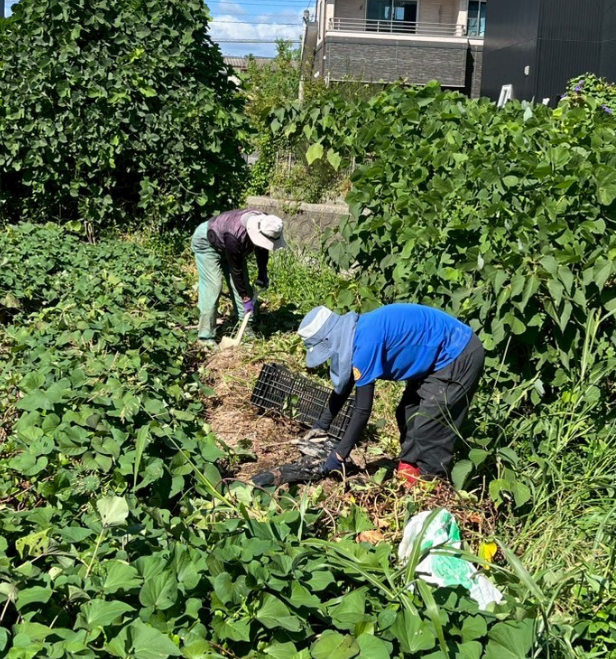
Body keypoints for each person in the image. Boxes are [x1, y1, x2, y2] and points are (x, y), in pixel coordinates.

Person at [254, 303, 484, 487]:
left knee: (430, 426)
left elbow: (363, 409)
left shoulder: (364, 344)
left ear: (330, 340)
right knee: (407, 413)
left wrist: (339, 456)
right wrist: (321, 425)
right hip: (435, 358)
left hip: (457, 352)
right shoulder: (356, 333)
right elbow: (344, 386)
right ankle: (410, 467)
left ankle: (432, 484)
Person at [191, 209, 286, 344]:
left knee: (243, 287)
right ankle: (205, 337)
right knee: (213, 287)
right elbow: (236, 271)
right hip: (207, 243)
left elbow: (263, 248)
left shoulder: (266, 224)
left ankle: (245, 329)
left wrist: (262, 273)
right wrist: (246, 299)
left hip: (230, 246)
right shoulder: (234, 235)